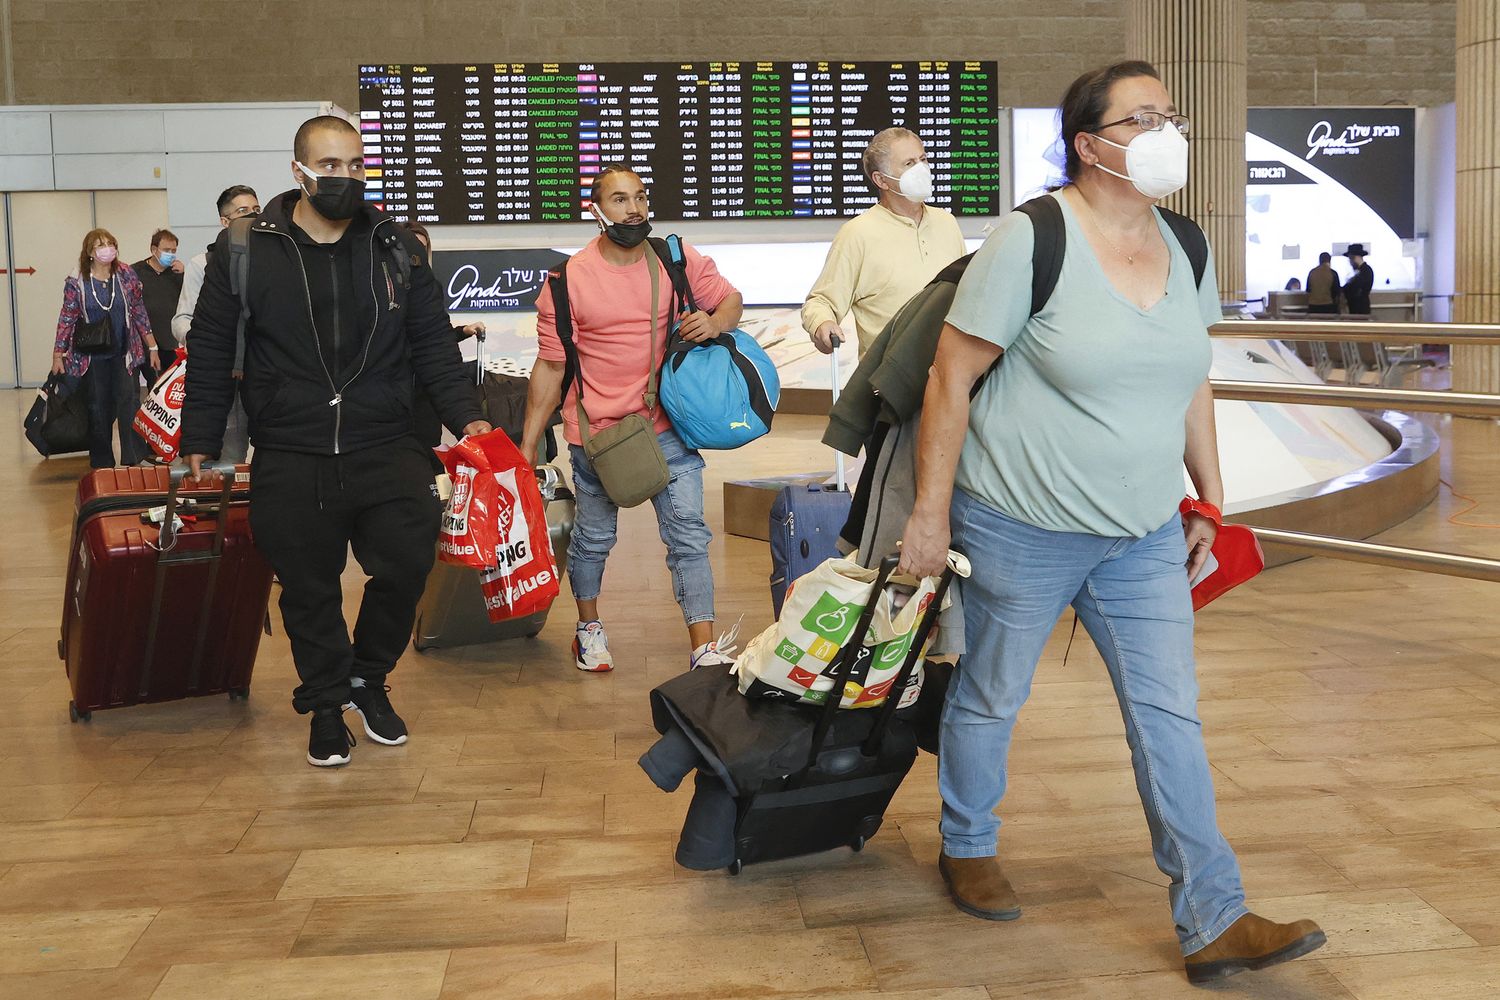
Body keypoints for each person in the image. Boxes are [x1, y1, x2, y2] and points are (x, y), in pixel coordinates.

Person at [896, 62, 1325, 985]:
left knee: (1170, 717)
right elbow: (950, 378)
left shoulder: (1189, 245)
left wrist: (1207, 496)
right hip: (1019, 524)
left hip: (1141, 535)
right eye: (1142, 117)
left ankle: (1213, 917)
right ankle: (967, 844)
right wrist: (930, 517)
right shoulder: (1033, 238)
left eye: (1170, 111)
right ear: (1090, 145)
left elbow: (1190, 379)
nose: (1167, 127)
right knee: (992, 693)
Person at [179, 116, 490, 768]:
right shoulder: (245, 249)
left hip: (387, 440)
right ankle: (325, 705)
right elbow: (208, 351)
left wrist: (469, 419)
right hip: (291, 447)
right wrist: (199, 440)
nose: (342, 177)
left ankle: (367, 679)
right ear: (298, 171)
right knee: (308, 588)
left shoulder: (394, 247)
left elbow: (432, 343)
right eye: (329, 165)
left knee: (407, 563)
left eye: (354, 165)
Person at [519, 165, 744, 674]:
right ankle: (588, 629)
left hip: (668, 426)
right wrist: (528, 446)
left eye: (641, 198)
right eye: (620, 200)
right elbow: (551, 368)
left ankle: (703, 646)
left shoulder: (672, 259)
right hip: (599, 436)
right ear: (594, 209)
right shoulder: (566, 281)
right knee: (595, 539)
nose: (635, 209)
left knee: (688, 534)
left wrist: (713, 322)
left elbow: (730, 300)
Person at [802, 127, 969, 356]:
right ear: (881, 180)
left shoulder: (946, 222)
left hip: (951, 370)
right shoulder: (857, 234)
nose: (922, 169)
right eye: (909, 164)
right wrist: (822, 324)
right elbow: (820, 302)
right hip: (890, 376)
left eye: (923, 159)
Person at [51, 228, 160, 468]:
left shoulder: (125, 274)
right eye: (101, 245)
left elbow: (138, 310)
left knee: (129, 402)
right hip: (92, 356)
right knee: (98, 407)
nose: (107, 248)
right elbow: (67, 317)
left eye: (110, 243)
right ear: (90, 252)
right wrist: (58, 353)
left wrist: (152, 345)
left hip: (124, 353)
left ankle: (134, 456)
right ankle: (102, 461)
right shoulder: (77, 280)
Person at [174, 185, 262, 462]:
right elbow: (182, 320)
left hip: (262, 373)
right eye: (243, 211)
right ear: (225, 221)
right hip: (226, 374)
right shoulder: (205, 263)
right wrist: (205, 341)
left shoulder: (269, 259)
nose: (253, 217)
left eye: (257, 210)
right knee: (230, 455)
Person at [399, 220, 486, 448]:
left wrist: (468, 416)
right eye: (410, 247)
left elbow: (432, 338)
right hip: (394, 398)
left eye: (420, 248)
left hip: (424, 394)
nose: (414, 255)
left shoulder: (428, 287)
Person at [133, 229, 185, 380]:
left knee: (164, 385)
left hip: (169, 342)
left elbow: (189, 300)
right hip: (142, 341)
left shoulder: (176, 273)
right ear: (154, 249)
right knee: (147, 383)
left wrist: (183, 275)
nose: (171, 254)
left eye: (173, 250)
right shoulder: (136, 271)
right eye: (166, 250)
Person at [1342, 244, 1374, 315]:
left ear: (1355, 258)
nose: (1350, 262)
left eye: (1350, 259)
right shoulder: (1361, 271)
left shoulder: (1365, 271)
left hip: (1360, 309)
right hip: (1357, 308)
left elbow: (1357, 290)